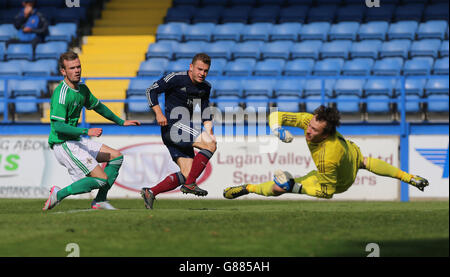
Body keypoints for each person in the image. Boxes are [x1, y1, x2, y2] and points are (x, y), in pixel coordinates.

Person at [223, 105, 429, 200]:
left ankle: (255, 188)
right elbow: (277, 114)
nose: (308, 131)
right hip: (352, 151)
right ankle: (247, 188)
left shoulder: (328, 156)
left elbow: (327, 193)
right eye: (310, 125)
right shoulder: (308, 122)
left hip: (340, 181)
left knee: (281, 187)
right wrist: (277, 129)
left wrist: (295, 187)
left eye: (314, 131)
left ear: (326, 135)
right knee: (364, 161)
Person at [42, 51, 141, 211]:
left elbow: (99, 107)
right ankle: (58, 194)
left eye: (78, 66)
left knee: (116, 157)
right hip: (64, 144)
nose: (77, 70)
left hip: (76, 140)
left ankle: (99, 201)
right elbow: (58, 127)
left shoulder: (82, 89)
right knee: (101, 179)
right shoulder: (61, 94)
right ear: (63, 71)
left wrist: (121, 121)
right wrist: (86, 131)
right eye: (72, 68)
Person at [141, 53, 216, 209]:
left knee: (188, 173)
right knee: (210, 145)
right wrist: (159, 113)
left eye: (206, 71)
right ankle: (190, 185)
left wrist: (209, 131)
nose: (202, 73)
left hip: (183, 130)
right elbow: (151, 90)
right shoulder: (176, 78)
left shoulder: (205, 87)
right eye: (199, 69)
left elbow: (205, 111)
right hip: (174, 125)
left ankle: (151, 192)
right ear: (191, 67)